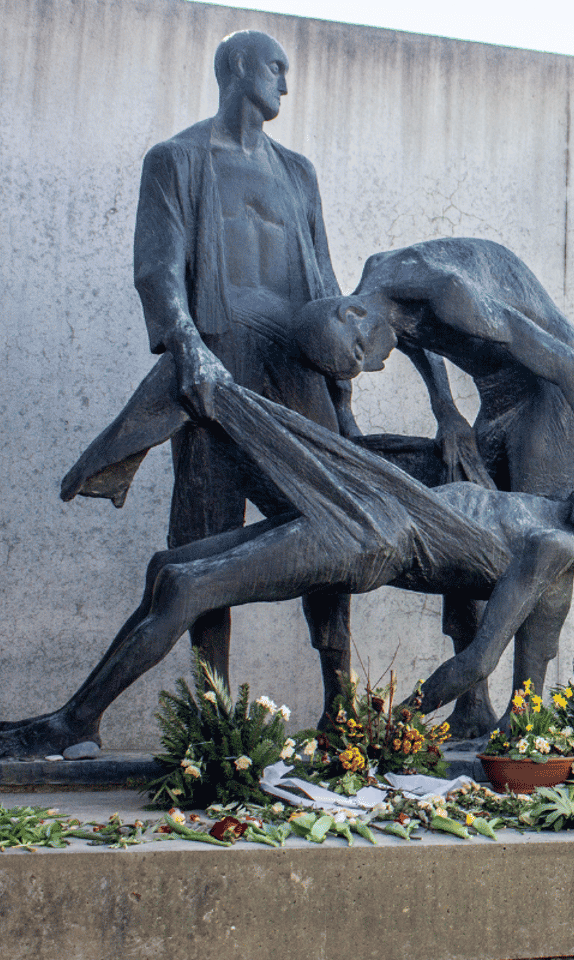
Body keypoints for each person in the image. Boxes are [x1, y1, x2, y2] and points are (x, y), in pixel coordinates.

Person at [0, 374, 574, 759]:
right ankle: (76, 718)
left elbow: (481, 661)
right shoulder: (544, 512)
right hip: (379, 503)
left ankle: (73, 724)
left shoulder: (550, 551)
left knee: (185, 584)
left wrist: (395, 723)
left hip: (377, 537)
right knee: (168, 566)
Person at [132, 30, 360, 713]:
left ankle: (342, 709)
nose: (285, 84)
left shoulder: (299, 172)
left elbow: (324, 283)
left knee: (334, 529)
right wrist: (187, 346)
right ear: (237, 67)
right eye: (276, 68)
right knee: (207, 537)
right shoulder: (176, 159)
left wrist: (341, 394)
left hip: (296, 371)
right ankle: (213, 716)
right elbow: (157, 270)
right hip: (219, 367)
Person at [340, 237, 574, 737]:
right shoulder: (378, 283)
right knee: (460, 535)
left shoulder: (448, 292)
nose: (372, 369)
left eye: (361, 356)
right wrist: (445, 409)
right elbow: (408, 334)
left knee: (549, 538)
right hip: (496, 400)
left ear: (354, 316)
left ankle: (526, 709)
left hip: (547, 396)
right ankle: (472, 708)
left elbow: (571, 365)